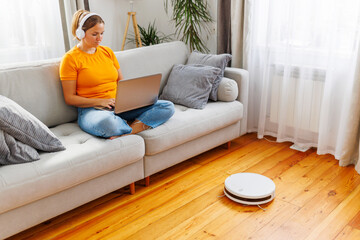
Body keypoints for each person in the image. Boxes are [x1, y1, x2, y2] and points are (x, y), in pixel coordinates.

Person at [59, 10, 174, 139]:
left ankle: (128, 130)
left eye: (102, 33)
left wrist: (131, 99)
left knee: (167, 106)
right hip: (93, 110)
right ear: (81, 33)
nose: (99, 38)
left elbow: (121, 82)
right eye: (94, 34)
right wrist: (100, 101)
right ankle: (132, 124)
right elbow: (69, 98)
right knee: (107, 123)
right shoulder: (70, 59)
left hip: (119, 105)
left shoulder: (107, 52)